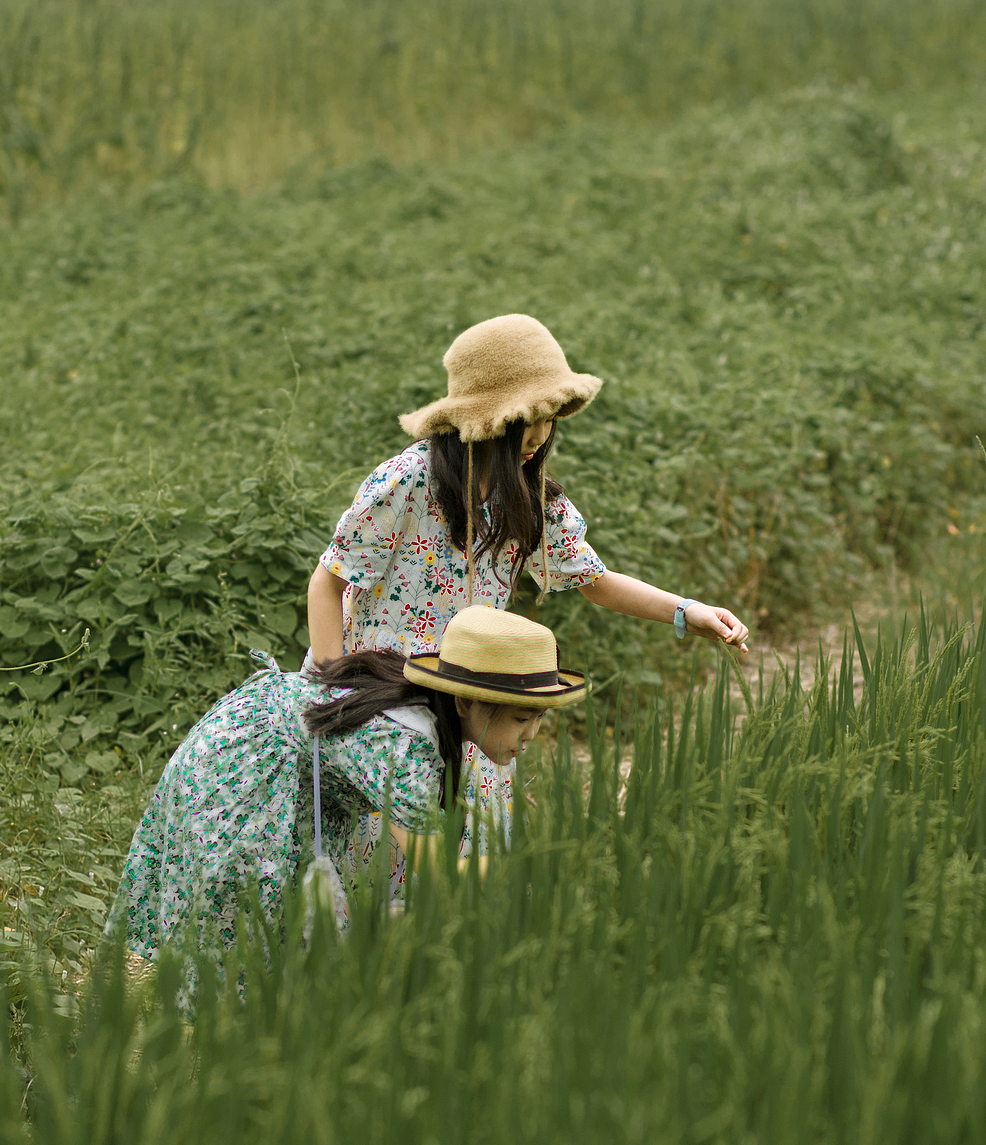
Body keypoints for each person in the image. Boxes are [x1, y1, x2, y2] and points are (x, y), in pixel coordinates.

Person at [306, 314, 750, 845]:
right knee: (377, 869)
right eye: (525, 422)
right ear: (484, 419)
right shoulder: (407, 482)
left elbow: (595, 579)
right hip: (382, 704)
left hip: (477, 701)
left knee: (472, 868)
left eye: (549, 420)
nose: (538, 437)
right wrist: (336, 690)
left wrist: (687, 610)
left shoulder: (530, 500)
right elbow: (328, 582)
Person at [105, 606, 583, 979]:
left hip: (278, 769)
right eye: (523, 718)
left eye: (540, 717)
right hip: (240, 777)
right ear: (464, 701)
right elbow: (436, 870)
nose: (532, 734)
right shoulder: (403, 744)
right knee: (248, 934)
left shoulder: (425, 716)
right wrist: (540, 865)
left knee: (288, 935)